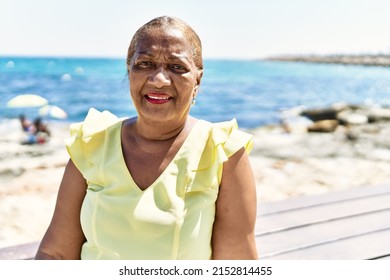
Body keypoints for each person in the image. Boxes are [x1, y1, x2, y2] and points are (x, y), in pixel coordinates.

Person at [35, 16, 258, 260]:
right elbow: (56, 253)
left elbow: (238, 263)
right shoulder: (92, 142)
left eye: (176, 67)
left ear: (197, 80)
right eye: (145, 64)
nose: (158, 80)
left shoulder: (222, 151)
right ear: (128, 70)